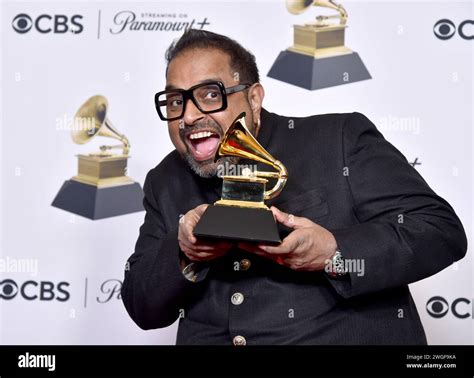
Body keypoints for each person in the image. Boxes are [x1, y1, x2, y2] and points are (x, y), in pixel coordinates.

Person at [121, 29, 467, 345]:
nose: (189, 116)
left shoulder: (339, 139)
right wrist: (185, 254)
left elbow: (439, 231)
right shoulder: (164, 180)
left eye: (211, 94)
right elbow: (142, 306)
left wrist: (334, 253)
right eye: (176, 101)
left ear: (254, 98)